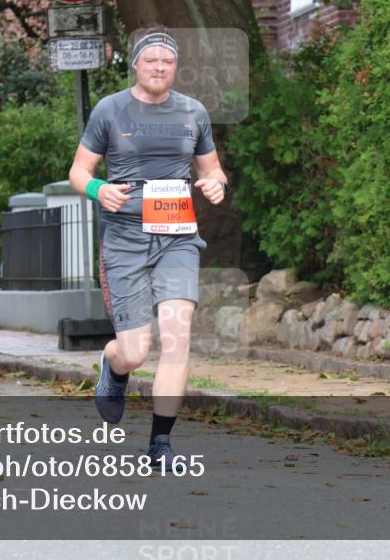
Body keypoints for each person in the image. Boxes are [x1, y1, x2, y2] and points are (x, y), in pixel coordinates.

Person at [68, 25, 227, 472]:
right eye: (151, 60)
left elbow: (213, 169)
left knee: (177, 338)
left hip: (177, 237)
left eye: (168, 61)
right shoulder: (110, 110)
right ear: (136, 64)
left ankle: (160, 445)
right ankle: (114, 365)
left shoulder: (193, 112)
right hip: (124, 240)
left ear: (176, 67)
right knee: (136, 351)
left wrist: (214, 184)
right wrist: (99, 189)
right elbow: (79, 171)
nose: (159, 67)